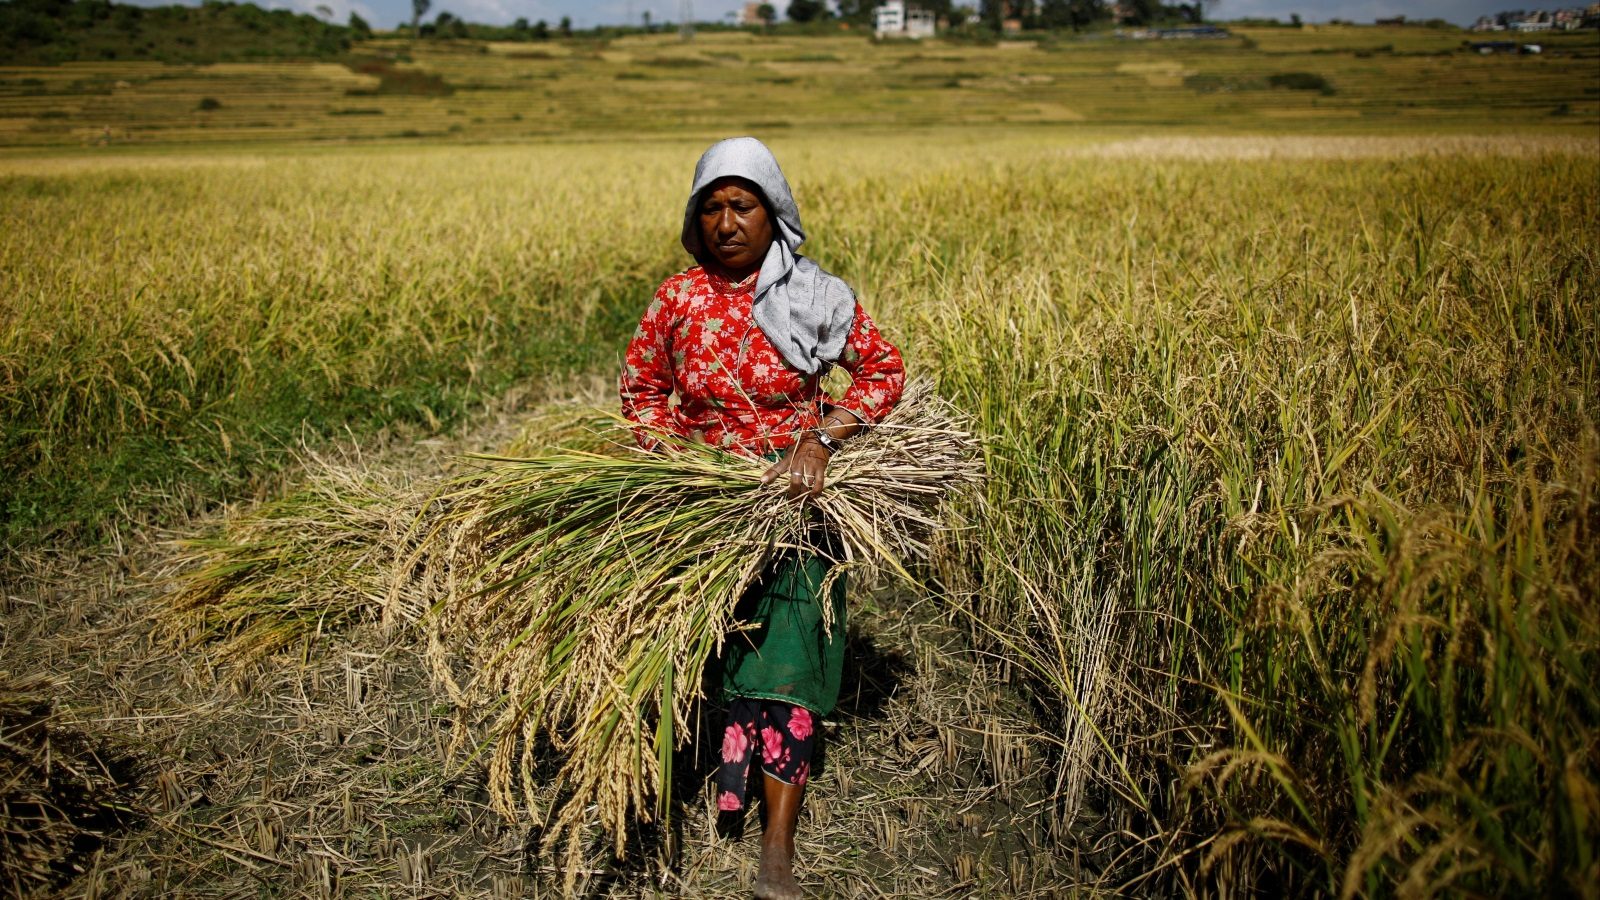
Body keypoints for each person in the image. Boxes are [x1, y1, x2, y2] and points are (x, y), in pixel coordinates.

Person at [619, 137, 904, 899]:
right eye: (711, 206)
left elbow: (882, 373)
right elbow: (642, 393)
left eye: (742, 204)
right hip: (707, 507)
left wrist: (819, 439)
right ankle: (720, 771)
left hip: (797, 501)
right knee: (718, 648)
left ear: (773, 213)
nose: (726, 221)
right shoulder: (676, 301)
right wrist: (676, 459)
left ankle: (777, 842)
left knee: (789, 660)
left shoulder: (815, 294)